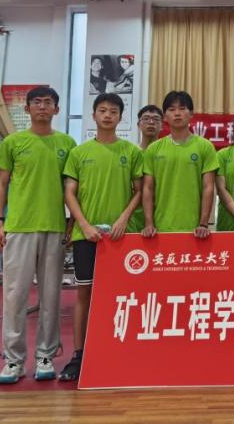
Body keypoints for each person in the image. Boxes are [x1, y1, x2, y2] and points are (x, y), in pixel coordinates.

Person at [0, 86, 77, 385]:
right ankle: (13, 360)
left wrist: (71, 223)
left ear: (57, 109)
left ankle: (45, 355)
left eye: (48, 102)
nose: (43, 106)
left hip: (54, 227)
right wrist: (0, 222)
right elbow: (2, 185)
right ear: (27, 109)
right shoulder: (13, 142)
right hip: (19, 227)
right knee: (14, 296)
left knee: (51, 296)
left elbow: (72, 189)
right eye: (37, 102)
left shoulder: (67, 144)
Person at [59, 93, 144, 382]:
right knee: (84, 295)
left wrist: (123, 219)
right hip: (87, 236)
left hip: (122, 237)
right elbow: (69, 193)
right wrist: (84, 225)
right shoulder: (79, 153)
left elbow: (139, 191)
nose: (108, 115)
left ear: (121, 117)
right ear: (94, 115)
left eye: (114, 111)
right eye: (103, 110)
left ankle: (118, 351)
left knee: (122, 296)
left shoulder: (131, 152)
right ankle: (79, 355)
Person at [141, 91, 218, 237]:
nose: (177, 113)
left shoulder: (205, 147)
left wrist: (203, 223)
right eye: (171, 109)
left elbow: (208, 187)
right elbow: (148, 188)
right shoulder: (153, 149)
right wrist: (149, 223)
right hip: (159, 229)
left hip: (195, 231)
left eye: (182, 109)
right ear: (165, 116)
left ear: (191, 114)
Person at [129, 105, 163, 233]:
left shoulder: (168, 154)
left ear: (162, 125)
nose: (151, 122)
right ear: (138, 124)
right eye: (146, 118)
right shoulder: (131, 154)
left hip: (161, 214)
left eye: (156, 119)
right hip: (134, 216)